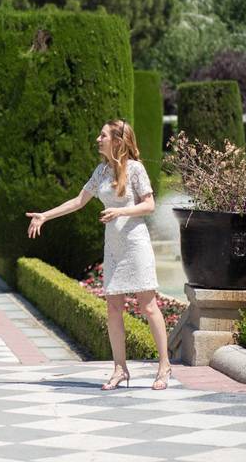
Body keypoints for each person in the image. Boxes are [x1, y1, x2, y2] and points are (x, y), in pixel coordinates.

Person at [25, 119, 171, 391]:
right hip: (113, 247)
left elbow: (149, 204)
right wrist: (45, 215)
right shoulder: (102, 171)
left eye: (102, 135)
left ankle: (164, 366)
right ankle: (120, 369)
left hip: (135, 245)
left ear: (118, 140)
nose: (97, 139)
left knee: (148, 306)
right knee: (113, 308)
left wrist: (120, 211)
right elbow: (78, 201)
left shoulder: (136, 169)